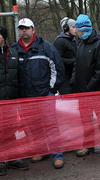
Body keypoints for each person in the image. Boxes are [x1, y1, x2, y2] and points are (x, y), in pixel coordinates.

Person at [11, 18, 65, 169]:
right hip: (25, 97)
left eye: (26, 28)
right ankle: (41, 150)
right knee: (32, 126)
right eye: (21, 28)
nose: (23, 31)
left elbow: (57, 69)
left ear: (33, 29)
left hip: (44, 94)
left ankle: (57, 154)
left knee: (51, 125)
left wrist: (51, 90)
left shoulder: (46, 47)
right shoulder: (14, 49)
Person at [73, 14, 100, 157]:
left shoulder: (99, 44)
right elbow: (77, 64)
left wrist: (89, 86)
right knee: (85, 119)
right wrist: (74, 80)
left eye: (78, 29)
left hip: (96, 90)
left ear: (83, 29)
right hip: (81, 90)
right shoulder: (80, 44)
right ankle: (88, 145)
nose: (76, 32)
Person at [0, 26, 29, 176]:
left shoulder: (12, 52)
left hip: (11, 99)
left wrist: (21, 98)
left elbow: (20, 76)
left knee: (10, 129)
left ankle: (11, 157)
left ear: (3, 37)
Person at [54, 17, 77, 94]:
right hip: (65, 81)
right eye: (73, 27)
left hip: (73, 78)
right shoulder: (60, 41)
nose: (75, 29)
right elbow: (57, 60)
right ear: (66, 28)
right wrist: (74, 61)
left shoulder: (73, 40)